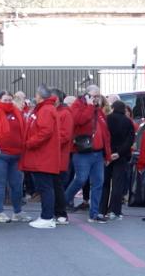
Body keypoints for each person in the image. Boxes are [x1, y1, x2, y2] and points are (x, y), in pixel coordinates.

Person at [64, 85, 111, 223]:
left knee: (98, 183)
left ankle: (94, 213)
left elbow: (105, 135)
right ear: (86, 95)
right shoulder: (78, 106)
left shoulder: (99, 112)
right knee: (80, 179)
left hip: (98, 153)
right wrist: (89, 107)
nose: (96, 99)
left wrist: (107, 154)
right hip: (82, 152)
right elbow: (79, 120)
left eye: (98, 96)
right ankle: (61, 204)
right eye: (94, 96)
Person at [22, 85, 61, 229]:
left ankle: (47, 217)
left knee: (45, 187)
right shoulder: (46, 108)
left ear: (40, 96)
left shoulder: (45, 110)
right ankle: (46, 216)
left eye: (36, 94)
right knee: (45, 187)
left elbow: (45, 131)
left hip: (43, 155)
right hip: (43, 155)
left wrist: (30, 143)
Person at [0, 91, 29, 223]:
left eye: (9, 100)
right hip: (0, 154)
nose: (7, 102)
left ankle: (17, 212)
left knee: (17, 185)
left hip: (16, 154)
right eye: (5, 100)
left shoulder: (17, 112)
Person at [105, 99, 135, 220]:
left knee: (105, 184)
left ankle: (102, 209)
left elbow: (104, 137)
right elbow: (130, 140)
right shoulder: (128, 122)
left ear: (113, 108)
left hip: (107, 155)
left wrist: (109, 153)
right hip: (121, 156)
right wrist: (119, 153)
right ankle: (115, 211)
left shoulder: (107, 119)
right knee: (118, 185)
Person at [52, 88, 74, 224]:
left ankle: (61, 213)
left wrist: (48, 142)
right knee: (54, 185)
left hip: (59, 156)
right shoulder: (57, 112)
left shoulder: (64, 113)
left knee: (57, 185)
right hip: (54, 155)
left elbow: (65, 136)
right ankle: (56, 212)